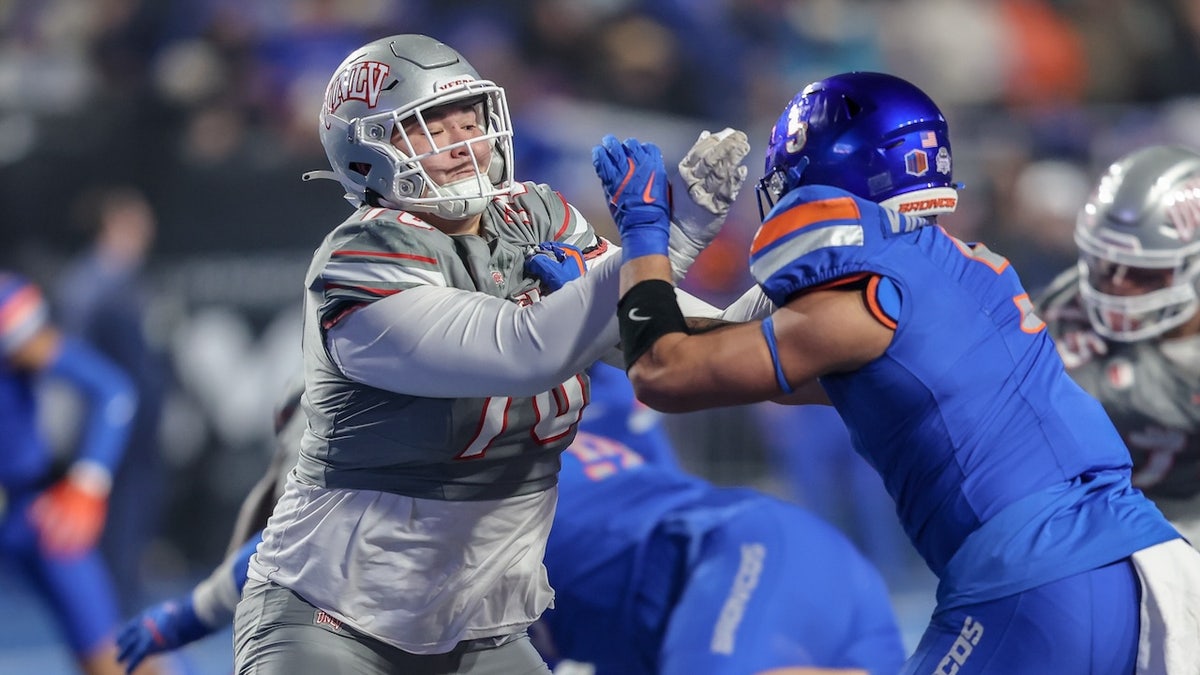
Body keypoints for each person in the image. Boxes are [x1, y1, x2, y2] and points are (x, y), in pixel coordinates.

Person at [595, 71, 1200, 672]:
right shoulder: (967, 273)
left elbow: (664, 371)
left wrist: (650, 233)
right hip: (1136, 567)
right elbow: (710, 354)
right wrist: (601, 294)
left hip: (1036, 580)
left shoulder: (863, 299)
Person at [231, 33, 757, 674]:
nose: (463, 141)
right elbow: (523, 348)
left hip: (479, 633)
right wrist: (666, 237)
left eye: (470, 117)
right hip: (332, 620)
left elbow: (683, 335)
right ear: (367, 154)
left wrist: (806, 286)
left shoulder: (535, 217)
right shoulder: (359, 259)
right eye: (429, 125)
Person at [119, 365, 904, 675]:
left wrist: (165, 624)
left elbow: (268, 556)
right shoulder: (585, 423)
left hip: (740, 568)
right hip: (792, 568)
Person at [1037, 144, 1200, 547]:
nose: (1118, 286)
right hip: (1095, 523)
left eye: (1146, 273)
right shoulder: (1059, 323)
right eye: (1106, 265)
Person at [0, 271, 148, 675]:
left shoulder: (4, 307)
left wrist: (87, 484)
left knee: (107, 658)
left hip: (35, 512)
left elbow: (110, 389)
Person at [55, 184, 171, 615]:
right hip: (103, 431)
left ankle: (125, 617)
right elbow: (75, 361)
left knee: (136, 528)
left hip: (145, 429)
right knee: (108, 533)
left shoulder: (139, 280)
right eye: (135, 220)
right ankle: (106, 626)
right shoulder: (89, 284)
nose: (146, 228)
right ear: (113, 224)